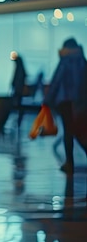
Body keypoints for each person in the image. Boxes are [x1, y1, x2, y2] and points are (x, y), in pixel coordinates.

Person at [43, 37, 87, 174]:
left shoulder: (65, 61)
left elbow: (57, 81)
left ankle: (70, 163)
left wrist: (48, 100)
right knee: (80, 132)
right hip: (81, 103)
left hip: (66, 103)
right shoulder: (83, 61)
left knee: (68, 132)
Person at [10, 51, 27, 129]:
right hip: (19, 88)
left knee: (17, 103)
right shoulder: (21, 68)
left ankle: (19, 115)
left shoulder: (18, 68)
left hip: (18, 88)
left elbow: (17, 79)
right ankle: (20, 116)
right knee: (18, 103)